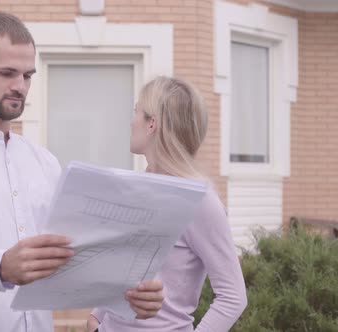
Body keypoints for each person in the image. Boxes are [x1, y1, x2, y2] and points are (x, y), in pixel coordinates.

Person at [0, 11, 164, 331]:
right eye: (7, 73)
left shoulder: (43, 161)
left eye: (27, 75)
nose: (19, 86)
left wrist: (128, 294)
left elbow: (69, 258)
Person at [87, 77, 247, 332]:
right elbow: (130, 268)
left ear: (152, 124)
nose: (131, 122)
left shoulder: (199, 202)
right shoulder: (138, 186)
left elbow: (233, 297)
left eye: (136, 112)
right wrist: (99, 314)